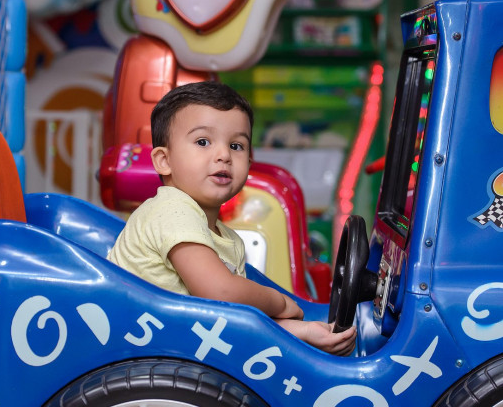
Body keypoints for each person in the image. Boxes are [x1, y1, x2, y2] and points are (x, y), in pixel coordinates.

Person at [108, 81, 356, 356]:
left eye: (236, 145)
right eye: (203, 142)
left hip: (177, 348)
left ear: (249, 162)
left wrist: (302, 331)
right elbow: (222, 293)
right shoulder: (171, 210)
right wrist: (279, 302)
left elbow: (230, 320)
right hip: (141, 352)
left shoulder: (226, 238)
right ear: (164, 160)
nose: (224, 155)